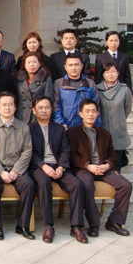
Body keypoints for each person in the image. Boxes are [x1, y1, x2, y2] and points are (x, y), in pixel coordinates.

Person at [68, 99, 133, 237]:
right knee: (87, 186)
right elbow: (73, 156)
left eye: (93, 111)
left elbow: (112, 155)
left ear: (98, 113)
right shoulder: (73, 133)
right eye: (87, 111)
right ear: (81, 114)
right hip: (84, 170)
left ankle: (115, 221)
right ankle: (94, 224)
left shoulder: (105, 134)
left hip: (103, 169)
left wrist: (107, 165)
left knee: (126, 186)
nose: (90, 114)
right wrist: (88, 166)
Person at [29, 96, 87, 244]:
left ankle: (76, 227)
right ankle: (49, 226)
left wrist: (61, 167)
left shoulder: (59, 128)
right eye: (40, 108)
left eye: (47, 107)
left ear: (51, 110)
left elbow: (65, 150)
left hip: (58, 165)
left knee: (76, 184)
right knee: (44, 183)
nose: (44, 110)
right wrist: (43, 166)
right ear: (34, 110)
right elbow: (29, 152)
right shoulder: (29, 129)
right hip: (39, 166)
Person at [0, 91, 35, 240]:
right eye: (4, 105)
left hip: (17, 169)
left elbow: (27, 151)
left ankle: (23, 225)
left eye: (10, 105)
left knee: (29, 185)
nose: (7, 108)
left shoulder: (24, 127)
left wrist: (15, 171)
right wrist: (1, 172)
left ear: (15, 107)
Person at [97, 61, 133, 172]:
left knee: (117, 164)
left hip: (118, 131)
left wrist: (119, 121)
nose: (110, 74)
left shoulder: (124, 90)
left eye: (113, 71)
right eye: (107, 72)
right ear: (103, 74)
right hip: (103, 129)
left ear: (118, 73)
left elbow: (127, 109)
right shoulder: (97, 89)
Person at [53, 53, 100, 130]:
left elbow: (96, 107)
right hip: (66, 128)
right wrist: (61, 124)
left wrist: (96, 127)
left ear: (81, 66)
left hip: (86, 128)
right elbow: (56, 107)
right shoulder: (59, 84)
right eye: (70, 65)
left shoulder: (90, 84)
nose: (73, 68)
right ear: (65, 67)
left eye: (76, 65)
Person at [14, 51, 53, 124]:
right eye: (29, 62)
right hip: (21, 116)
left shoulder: (46, 80)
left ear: (39, 64)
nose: (32, 65)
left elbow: (49, 100)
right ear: (24, 64)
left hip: (38, 117)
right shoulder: (18, 79)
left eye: (34, 62)